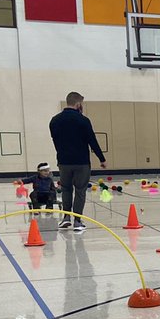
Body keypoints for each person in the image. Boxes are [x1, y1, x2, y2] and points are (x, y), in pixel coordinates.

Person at [49, 91, 105, 232]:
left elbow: (55, 141)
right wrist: (101, 159)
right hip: (81, 162)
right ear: (78, 104)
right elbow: (92, 141)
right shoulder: (83, 120)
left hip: (63, 162)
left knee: (66, 189)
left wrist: (62, 154)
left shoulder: (54, 120)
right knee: (80, 191)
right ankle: (78, 221)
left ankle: (66, 218)